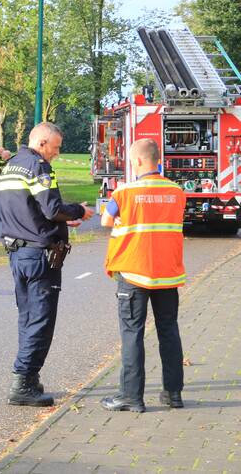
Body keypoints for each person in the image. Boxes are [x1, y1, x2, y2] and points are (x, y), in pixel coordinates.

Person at [0, 122, 94, 406]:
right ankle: (23, 382)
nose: (57, 152)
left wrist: (66, 220)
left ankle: (28, 379)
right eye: (56, 146)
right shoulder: (38, 167)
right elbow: (52, 208)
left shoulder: (11, 166)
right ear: (42, 143)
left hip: (17, 253)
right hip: (40, 257)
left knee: (27, 317)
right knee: (41, 319)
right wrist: (79, 210)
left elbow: (28, 210)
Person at [99, 139, 186, 413]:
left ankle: (131, 396)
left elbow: (106, 221)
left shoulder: (124, 192)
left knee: (132, 334)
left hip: (134, 272)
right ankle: (173, 394)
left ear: (137, 161)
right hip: (167, 274)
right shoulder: (176, 191)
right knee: (169, 332)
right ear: (157, 160)